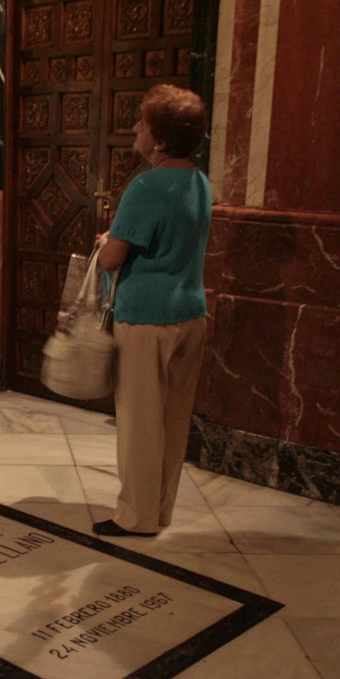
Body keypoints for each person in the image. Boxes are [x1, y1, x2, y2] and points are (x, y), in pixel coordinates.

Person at [92, 84, 211, 538]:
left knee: (140, 424)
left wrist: (106, 243)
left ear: (159, 140)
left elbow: (112, 259)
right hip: (191, 312)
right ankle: (159, 510)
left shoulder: (146, 184)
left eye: (142, 122)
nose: (136, 128)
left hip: (146, 317)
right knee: (173, 420)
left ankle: (136, 517)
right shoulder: (198, 181)